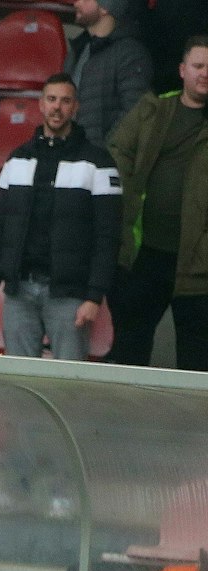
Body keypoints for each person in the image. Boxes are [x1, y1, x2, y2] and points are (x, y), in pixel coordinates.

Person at [0, 74, 122, 361]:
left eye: (65, 101)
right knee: (21, 383)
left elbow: (109, 237)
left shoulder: (99, 163)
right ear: (40, 105)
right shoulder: (17, 159)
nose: (57, 107)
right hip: (19, 291)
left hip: (69, 294)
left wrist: (94, 297)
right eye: (51, 100)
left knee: (69, 385)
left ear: (76, 107)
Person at [106, 36, 208, 370]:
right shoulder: (155, 109)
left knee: (196, 362)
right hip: (145, 252)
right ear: (182, 70)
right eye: (198, 66)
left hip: (198, 261)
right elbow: (118, 149)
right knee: (129, 350)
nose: (205, 73)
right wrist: (129, 190)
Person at [67, 0, 153, 146]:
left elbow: (134, 117)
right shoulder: (78, 49)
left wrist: (105, 157)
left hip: (104, 163)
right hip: (76, 160)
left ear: (105, 8)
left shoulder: (131, 54)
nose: (76, 3)